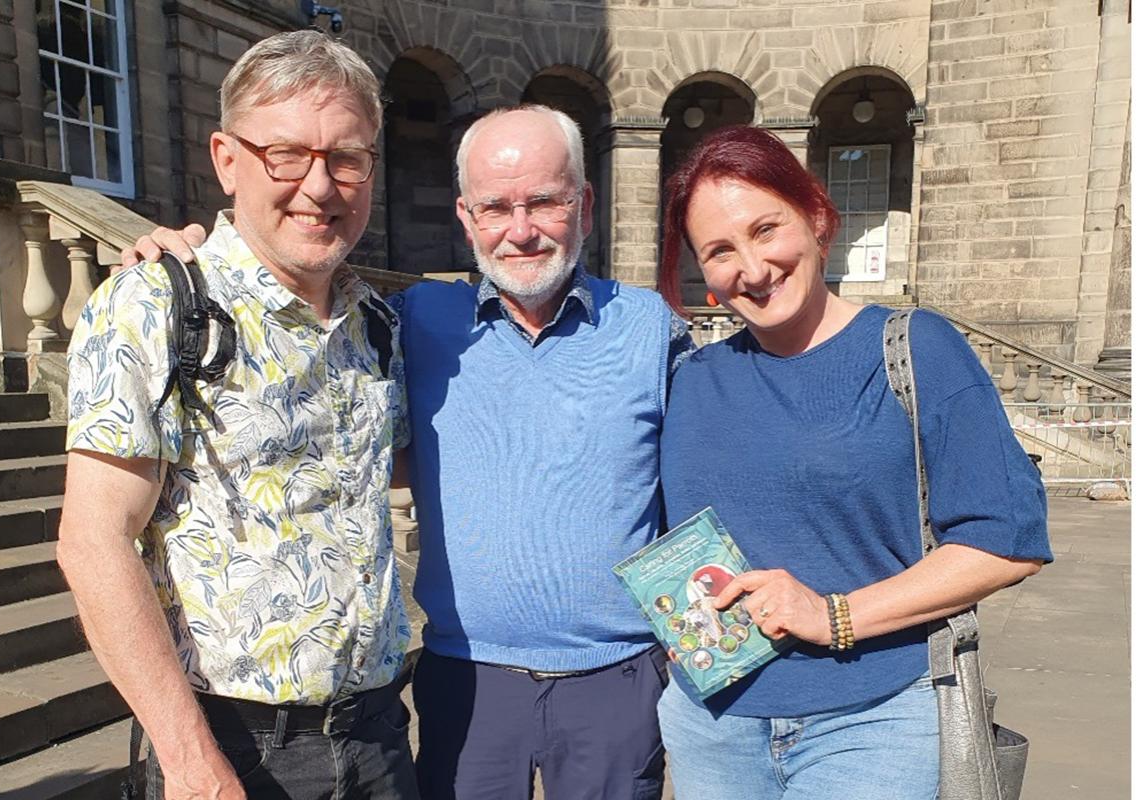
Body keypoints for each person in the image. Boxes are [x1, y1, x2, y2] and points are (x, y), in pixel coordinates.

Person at [124, 104, 695, 800]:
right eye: (495, 207)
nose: (521, 230)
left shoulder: (649, 330)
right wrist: (184, 256)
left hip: (618, 677)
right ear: (465, 216)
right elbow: (296, 286)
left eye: (546, 201)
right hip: (469, 679)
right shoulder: (413, 323)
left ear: (586, 203)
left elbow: (696, 488)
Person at [57, 31, 418, 800]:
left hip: (378, 738)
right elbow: (93, 543)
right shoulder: (157, 303)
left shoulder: (377, 327)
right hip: (235, 749)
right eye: (284, 154)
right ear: (227, 159)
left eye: (345, 159)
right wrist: (189, 760)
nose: (318, 187)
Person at [654, 125, 1053, 800]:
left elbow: (1007, 540)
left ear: (814, 216)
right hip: (711, 725)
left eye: (765, 229)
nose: (751, 268)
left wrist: (832, 614)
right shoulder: (690, 380)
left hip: (874, 716)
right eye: (719, 251)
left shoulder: (913, 349)